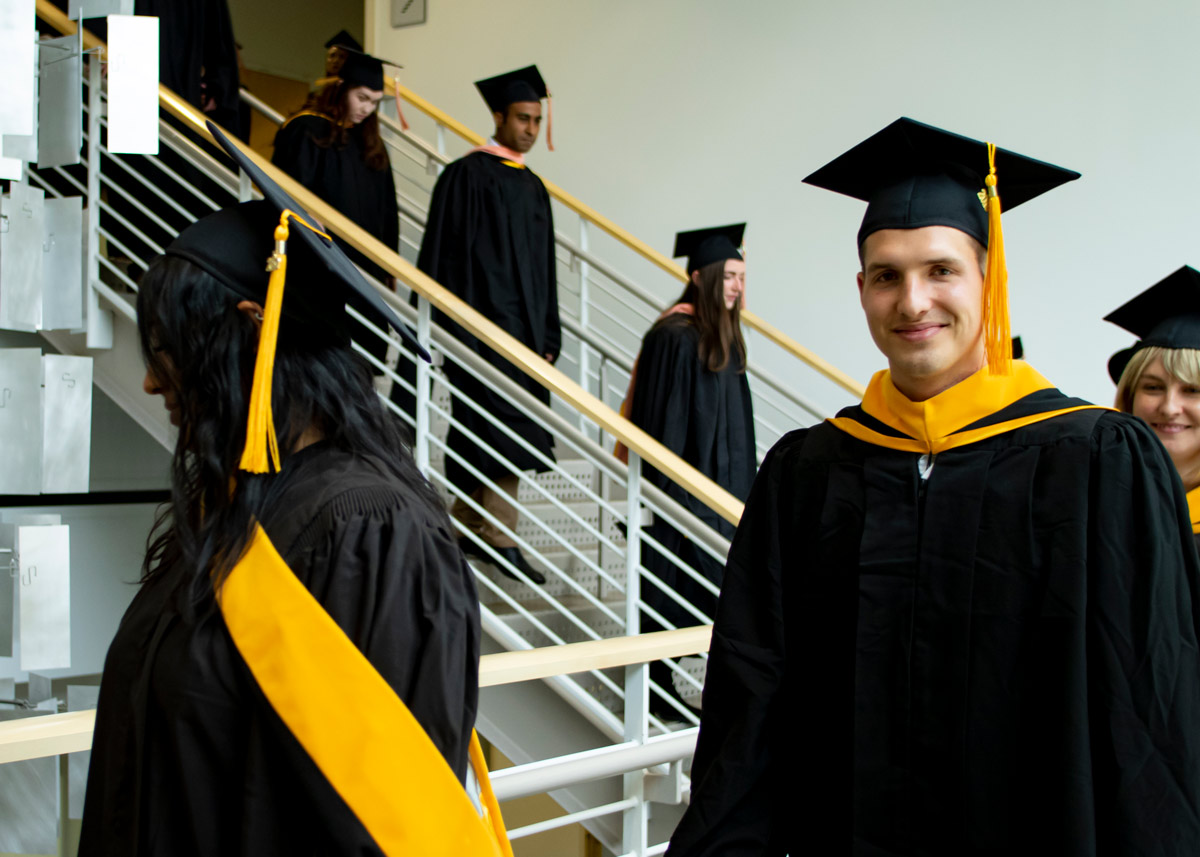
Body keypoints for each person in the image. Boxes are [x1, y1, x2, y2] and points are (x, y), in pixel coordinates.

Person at [667, 118, 1200, 855]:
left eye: (941, 269)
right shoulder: (809, 473)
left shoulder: (1095, 463)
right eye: (887, 275)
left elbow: (1149, 718)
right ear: (862, 290)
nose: (913, 301)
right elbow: (750, 705)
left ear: (990, 278)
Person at [78, 124, 510, 856]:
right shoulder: (240, 515)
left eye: (166, 348)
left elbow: (382, 822)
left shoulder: (373, 533)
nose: (152, 379)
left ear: (251, 329)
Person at [416, 65, 559, 586]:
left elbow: (544, 270)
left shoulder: (534, 188)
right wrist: (453, 329)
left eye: (537, 120)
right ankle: (499, 536)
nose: (530, 129)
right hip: (479, 333)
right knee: (489, 426)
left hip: (523, 338)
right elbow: (443, 257)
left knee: (506, 427)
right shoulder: (465, 176)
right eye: (522, 118)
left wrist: (547, 337)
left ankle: (467, 525)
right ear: (498, 116)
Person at [618, 224, 755, 715]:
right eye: (729, 276)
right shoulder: (675, 337)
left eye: (742, 276)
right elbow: (664, 423)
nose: (737, 286)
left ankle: (668, 680)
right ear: (699, 277)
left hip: (720, 495)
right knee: (672, 583)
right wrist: (668, 494)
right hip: (681, 496)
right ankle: (652, 682)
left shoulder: (726, 339)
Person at [1107, 265, 1200, 548]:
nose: (1169, 407)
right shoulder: (1098, 495)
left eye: (1192, 390)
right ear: (1129, 396)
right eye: (1153, 387)